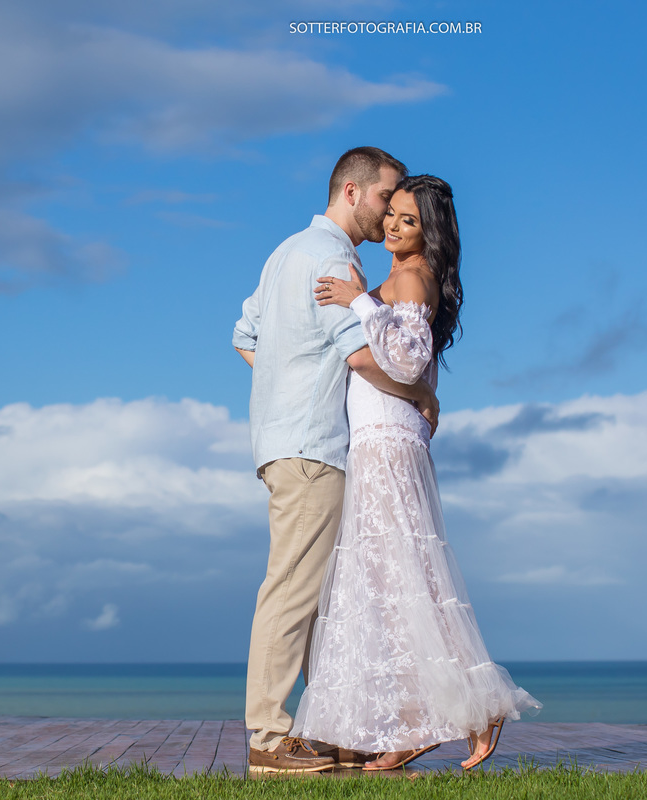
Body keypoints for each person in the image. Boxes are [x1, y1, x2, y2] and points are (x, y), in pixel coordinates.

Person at [292, 175, 540, 771]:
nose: (394, 228)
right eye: (393, 216)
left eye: (408, 220)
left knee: (401, 575)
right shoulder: (410, 274)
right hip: (383, 434)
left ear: (428, 231)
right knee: (392, 578)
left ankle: (455, 713)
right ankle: (414, 723)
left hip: (385, 438)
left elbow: (406, 358)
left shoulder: (410, 275)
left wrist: (356, 300)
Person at [232, 147, 440, 774]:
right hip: (313, 446)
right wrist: (421, 394)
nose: (389, 213)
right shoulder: (331, 258)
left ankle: (333, 728)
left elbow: (245, 337)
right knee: (294, 591)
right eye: (386, 197)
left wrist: (283, 382)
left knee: (319, 597)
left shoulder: (285, 252)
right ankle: (268, 740)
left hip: (284, 440)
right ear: (353, 193)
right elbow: (364, 355)